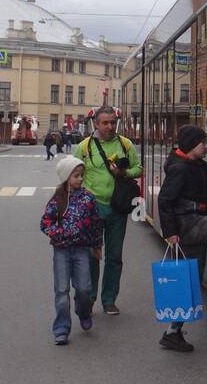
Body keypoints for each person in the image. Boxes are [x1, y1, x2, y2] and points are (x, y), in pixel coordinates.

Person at [156, 125, 207, 352]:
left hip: (195, 224)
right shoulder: (180, 169)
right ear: (191, 145)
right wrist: (170, 233)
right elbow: (165, 201)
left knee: (190, 281)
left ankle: (172, 332)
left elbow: (205, 199)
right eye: (203, 143)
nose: (206, 146)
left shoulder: (195, 165)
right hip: (189, 226)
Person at [76, 106, 142, 317]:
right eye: (105, 123)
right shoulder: (85, 147)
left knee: (114, 256)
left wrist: (123, 172)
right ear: (96, 124)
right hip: (92, 208)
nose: (110, 126)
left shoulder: (125, 144)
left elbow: (139, 168)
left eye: (113, 122)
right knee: (91, 256)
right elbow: (73, 173)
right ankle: (91, 297)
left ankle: (109, 300)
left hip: (117, 208)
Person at [41, 155, 104, 344]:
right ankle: (61, 328)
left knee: (85, 289)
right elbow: (45, 223)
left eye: (81, 175)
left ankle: (83, 312)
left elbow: (96, 224)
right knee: (61, 291)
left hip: (82, 250)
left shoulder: (88, 198)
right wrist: (60, 233)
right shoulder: (57, 199)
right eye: (76, 175)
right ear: (66, 177)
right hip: (61, 251)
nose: (80, 179)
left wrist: (97, 245)